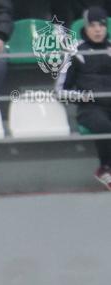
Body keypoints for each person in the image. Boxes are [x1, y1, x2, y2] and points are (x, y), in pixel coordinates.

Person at [56, 6, 111, 189]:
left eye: (101, 25)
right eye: (92, 25)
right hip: (90, 108)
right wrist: (84, 97)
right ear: (85, 27)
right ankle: (105, 168)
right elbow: (60, 91)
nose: (98, 30)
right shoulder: (74, 51)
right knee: (105, 126)